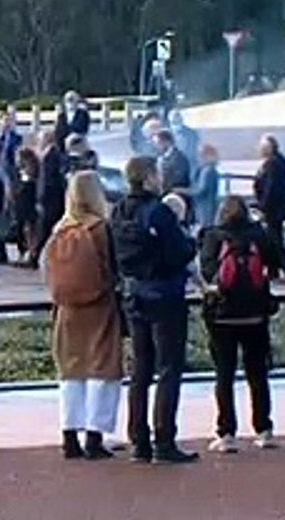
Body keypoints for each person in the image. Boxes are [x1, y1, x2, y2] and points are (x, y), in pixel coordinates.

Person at [110, 156, 198, 464]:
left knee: (141, 370)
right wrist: (190, 242)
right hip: (165, 295)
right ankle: (164, 439)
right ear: (148, 178)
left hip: (134, 294)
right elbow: (180, 251)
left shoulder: (119, 210)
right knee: (169, 368)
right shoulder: (159, 212)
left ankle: (138, 439)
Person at [42, 171, 123, 460]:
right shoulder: (100, 228)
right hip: (99, 305)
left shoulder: (60, 228)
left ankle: (69, 435)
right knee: (101, 367)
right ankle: (94, 436)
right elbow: (114, 267)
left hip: (66, 308)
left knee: (71, 370)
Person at [198, 195, 283, 453]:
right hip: (255, 312)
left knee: (224, 374)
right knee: (257, 372)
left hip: (222, 314)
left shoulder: (213, 236)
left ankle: (226, 433)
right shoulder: (258, 234)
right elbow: (276, 261)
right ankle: (264, 429)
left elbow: (206, 269)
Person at [253, 134, 285, 282]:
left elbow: (271, 188)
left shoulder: (274, 163)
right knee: (272, 241)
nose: (261, 149)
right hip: (274, 209)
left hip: (274, 210)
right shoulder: (275, 161)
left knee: (276, 242)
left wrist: (262, 207)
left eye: (264, 147)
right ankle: (274, 272)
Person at [33, 129, 67, 269]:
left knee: (46, 227)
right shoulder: (47, 155)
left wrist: (41, 197)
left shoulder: (52, 156)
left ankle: (38, 256)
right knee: (45, 228)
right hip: (49, 198)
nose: (38, 143)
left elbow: (50, 180)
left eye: (40, 140)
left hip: (51, 198)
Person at [11, 145, 41, 266]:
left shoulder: (32, 173)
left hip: (28, 207)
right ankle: (25, 254)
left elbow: (28, 189)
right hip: (21, 207)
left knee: (30, 231)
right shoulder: (19, 172)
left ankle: (31, 255)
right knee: (23, 232)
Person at [188, 144, 220, 229]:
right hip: (202, 206)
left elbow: (201, 190)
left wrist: (184, 191)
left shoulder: (208, 171)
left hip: (206, 207)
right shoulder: (204, 169)